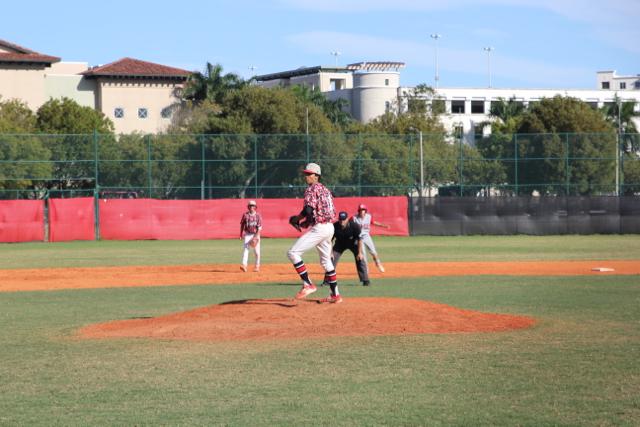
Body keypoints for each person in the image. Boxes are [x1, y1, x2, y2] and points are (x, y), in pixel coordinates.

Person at [287, 162, 341, 303]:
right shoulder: (325, 190)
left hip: (321, 228)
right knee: (326, 262)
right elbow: (317, 211)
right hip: (330, 228)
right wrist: (306, 222)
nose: (306, 176)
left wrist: (296, 219)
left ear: (317, 176)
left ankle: (308, 284)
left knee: (293, 253)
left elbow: (308, 210)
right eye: (306, 173)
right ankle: (335, 295)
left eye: (309, 174)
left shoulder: (311, 189)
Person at [332, 211, 370, 286]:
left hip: (353, 243)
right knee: (331, 259)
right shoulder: (334, 226)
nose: (342, 221)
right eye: (340, 219)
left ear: (347, 219)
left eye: (344, 219)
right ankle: (327, 280)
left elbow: (359, 239)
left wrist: (359, 253)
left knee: (360, 258)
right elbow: (330, 240)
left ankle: (365, 280)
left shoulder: (354, 226)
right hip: (340, 244)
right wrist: (330, 252)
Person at [352, 203, 390, 273]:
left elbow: (374, 222)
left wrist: (384, 226)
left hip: (366, 237)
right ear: (358, 211)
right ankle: (365, 269)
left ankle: (378, 264)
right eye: (360, 210)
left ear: (365, 211)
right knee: (363, 255)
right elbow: (347, 223)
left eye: (363, 210)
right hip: (359, 238)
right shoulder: (354, 218)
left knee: (373, 252)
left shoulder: (368, 216)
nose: (362, 211)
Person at [239, 200, 262, 272]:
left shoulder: (258, 216)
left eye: (253, 205)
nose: (251, 207)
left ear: (255, 207)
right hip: (248, 234)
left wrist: (256, 237)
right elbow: (242, 225)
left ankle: (257, 266)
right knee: (246, 250)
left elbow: (260, 227)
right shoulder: (245, 215)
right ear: (248, 207)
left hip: (256, 234)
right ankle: (244, 265)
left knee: (256, 252)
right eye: (250, 205)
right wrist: (240, 234)